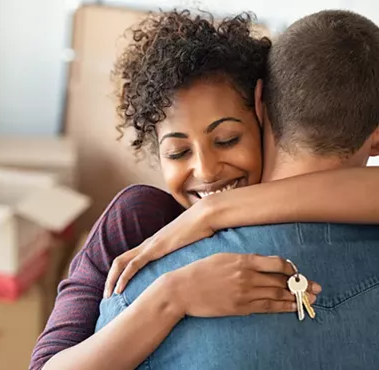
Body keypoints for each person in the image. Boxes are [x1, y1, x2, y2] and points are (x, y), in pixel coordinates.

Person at [30, 9, 379, 370]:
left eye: (228, 139)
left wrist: (213, 212)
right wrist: (171, 296)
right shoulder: (137, 222)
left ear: (261, 112)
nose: (207, 170)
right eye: (178, 152)